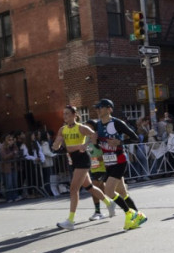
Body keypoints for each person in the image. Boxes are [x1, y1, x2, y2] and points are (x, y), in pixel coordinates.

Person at [52, 105, 113, 230]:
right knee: (89, 187)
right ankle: (109, 203)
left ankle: (70, 221)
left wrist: (85, 144)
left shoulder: (81, 127)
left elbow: (94, 135)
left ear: (74, 115)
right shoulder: (62, 129)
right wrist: (56, 145)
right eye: (64, 114)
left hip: (83, 160)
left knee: (73, 189)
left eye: (67, 113)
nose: (65, 116)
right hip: (73, 160)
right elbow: (57, 145)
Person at [94, 99, 147, 230]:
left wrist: (120, 142)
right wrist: (95, 142)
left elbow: (135, 138)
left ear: (109, 109)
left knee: (108, 191)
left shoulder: (117, 123)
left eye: (100, 107)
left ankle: (129, 214)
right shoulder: (98, 125)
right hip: (108, 163)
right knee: (122, 192)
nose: (98, 110)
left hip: (119, 161)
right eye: (97, 108)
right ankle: (138, 215)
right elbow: (100, 145)